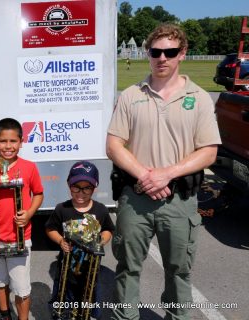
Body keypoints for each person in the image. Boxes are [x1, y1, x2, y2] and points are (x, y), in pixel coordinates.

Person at [106, 23, 221, 320]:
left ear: (182, 53)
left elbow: (209, 151)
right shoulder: (131, 95)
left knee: (179, 270)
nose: (162, 58)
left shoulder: (199, 98)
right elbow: (114, 145)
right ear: (148, 53)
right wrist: (147, 175)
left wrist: (167, 173)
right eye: (156, 51)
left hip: (179, 201)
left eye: (170, 52)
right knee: (128, 267)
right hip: (136, 197)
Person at [0, 118, 44, 320]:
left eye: (13, 141)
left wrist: (29, 213)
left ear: (21, 142)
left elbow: (38, 194)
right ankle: (5, 315)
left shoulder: (29, 167)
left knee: (22, 287)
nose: (8, 146)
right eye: (3, 141)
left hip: (20, 236)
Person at [45, 161, 114, 320]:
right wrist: (61, 241)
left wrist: (102, 240)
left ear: (94, 188)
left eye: (86, 188)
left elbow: (108, 229)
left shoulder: (100, 209)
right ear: (69, 185)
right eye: (76, 187)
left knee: (88, 300)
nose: (81, 192)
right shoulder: (62, 208)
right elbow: (50, 229)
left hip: (90, 271)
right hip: (66, 271)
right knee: (63, 302)